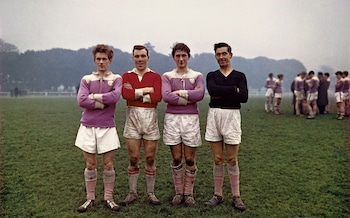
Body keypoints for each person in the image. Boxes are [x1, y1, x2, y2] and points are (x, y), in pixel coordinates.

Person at [75, 44, 122, 212]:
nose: (101, 62)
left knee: (108, 164)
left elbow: (115, 97)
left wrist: (94, 97)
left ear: (109, 60)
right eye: (98, 59)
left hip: (107, 126)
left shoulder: (116, 79)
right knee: (90, 164)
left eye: (104, 59)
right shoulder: (86, 79)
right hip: (88, 126)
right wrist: (103, 101)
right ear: (95, 60)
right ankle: (90, 198)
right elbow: (81, 100)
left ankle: (109, 198)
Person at [204, 42, 248, 211]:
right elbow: (212, 90)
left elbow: (243, 98)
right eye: (218, 54)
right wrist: (233, 90)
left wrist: (223, 92)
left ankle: (236, 196)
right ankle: (218, 194)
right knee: (217, 159)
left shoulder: (240, 75)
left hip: (232, 116)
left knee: (231, 159)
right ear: (215, 56)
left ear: (230, 55)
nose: (221, 57)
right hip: (214, 115)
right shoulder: (212, 75)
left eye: (224, 53)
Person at [162, 43, 205, 207]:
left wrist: (179, 93)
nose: (181, 59)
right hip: (172, 119)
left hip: (191, 119)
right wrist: (189, 98)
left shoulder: (197, 75)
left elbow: (200, 94)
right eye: (178, 56)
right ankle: (179, 192)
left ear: (189, 56)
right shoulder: (167, 76)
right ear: (174, 57)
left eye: (184, 55)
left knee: (189, 158)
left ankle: (189, 193)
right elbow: (166, 96)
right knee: (176, 157)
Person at [121, 45, 162, 206]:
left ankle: (150, 193)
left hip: (150, 120)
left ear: (148, 57)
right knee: (133, 158)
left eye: (142, 56)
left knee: (150, 158)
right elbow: (126, 95)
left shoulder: (155, 76)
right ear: (133, 58)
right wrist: (147, 91)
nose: (140, 59)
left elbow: (157, 96)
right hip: (132, 120)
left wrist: (136, 93)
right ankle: (132, 192)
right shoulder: (127, 76)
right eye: (137, 56)